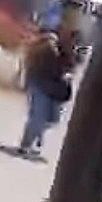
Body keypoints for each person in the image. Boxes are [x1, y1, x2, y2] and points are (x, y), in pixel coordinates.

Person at [17, 25, 76, 158]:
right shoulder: (47, 45)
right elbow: (34, 65)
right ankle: (26, 145)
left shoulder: (66, 48)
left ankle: (36, 137)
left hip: (54, 88)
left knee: (52, 119)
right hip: (40, 84)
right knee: (38, 117)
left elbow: (69, 66)